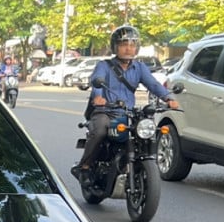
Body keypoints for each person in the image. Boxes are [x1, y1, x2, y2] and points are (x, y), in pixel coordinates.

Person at [71, 25, 179, 179]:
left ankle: (142, 162)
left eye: (132, 45)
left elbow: (153, 85)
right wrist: (98, 97)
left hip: (127, 113)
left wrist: (168, 98)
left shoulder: (139, 67)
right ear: (115, 47)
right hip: (105, 112)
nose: (128, 49)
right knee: (100, 130)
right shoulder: (104, 66)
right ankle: (84, 166)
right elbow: (97, 81)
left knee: (146, 132)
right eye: (123, 45)